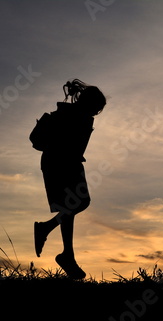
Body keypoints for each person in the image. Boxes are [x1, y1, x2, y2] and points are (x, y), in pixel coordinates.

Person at [30, 79, 106, 279]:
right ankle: (47, 230)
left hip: (60, 163)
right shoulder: (76, 116)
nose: (97, 113)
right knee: (79, 203)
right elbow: (67, 143)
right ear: (90, 104)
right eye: (97, 108)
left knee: (69, 208)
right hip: (62, 163)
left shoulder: (71, 113)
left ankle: (68, 255)